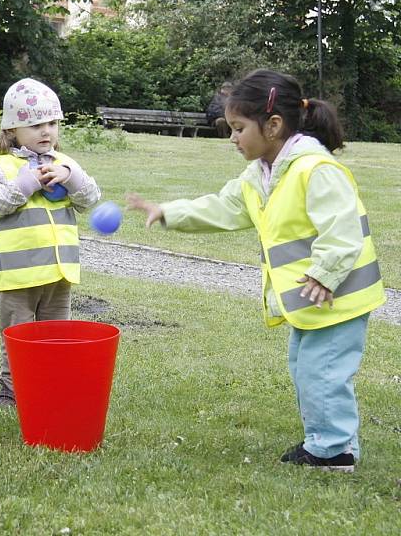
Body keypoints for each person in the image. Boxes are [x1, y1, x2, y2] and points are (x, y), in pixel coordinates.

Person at [128, 69, 386, 472]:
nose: (232, 138)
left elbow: (343, 228)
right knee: (309, 370)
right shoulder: (261, 175)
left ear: (274, 125)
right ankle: (329, 439)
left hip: (338, 296)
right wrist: (168, 213)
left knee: (323, 372)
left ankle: (333, 452)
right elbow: (223, 207)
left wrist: (324, 274)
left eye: (238, 128)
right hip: (311, 300)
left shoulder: (315, 169)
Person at [0, 78, 101, 406]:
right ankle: (11, 389)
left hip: (58, 272)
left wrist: (71, 178)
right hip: (19, 274)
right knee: (19, 333)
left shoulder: (64, 164)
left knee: (57, 333)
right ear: (12, 130)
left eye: (52, 123)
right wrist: (26, 183)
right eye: (35, 125)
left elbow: (90, 198)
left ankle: (51, 384)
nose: (46, 131)